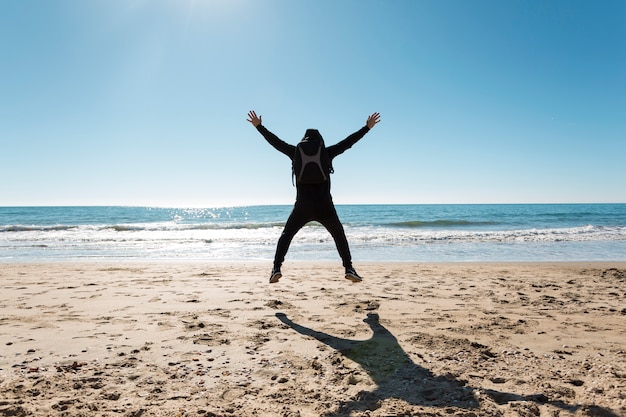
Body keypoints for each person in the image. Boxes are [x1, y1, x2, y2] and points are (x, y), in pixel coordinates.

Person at [246, 110, 381, 284]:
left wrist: (259, 127)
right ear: (320, 141)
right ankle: (349, 268)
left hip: (303, 205)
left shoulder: (295, 152)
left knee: (287, 235)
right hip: (325, 205)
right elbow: (348, 142)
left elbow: (276, 142)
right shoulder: (326, 152)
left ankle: (276, 268)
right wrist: (366, 128)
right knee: (339, 236)